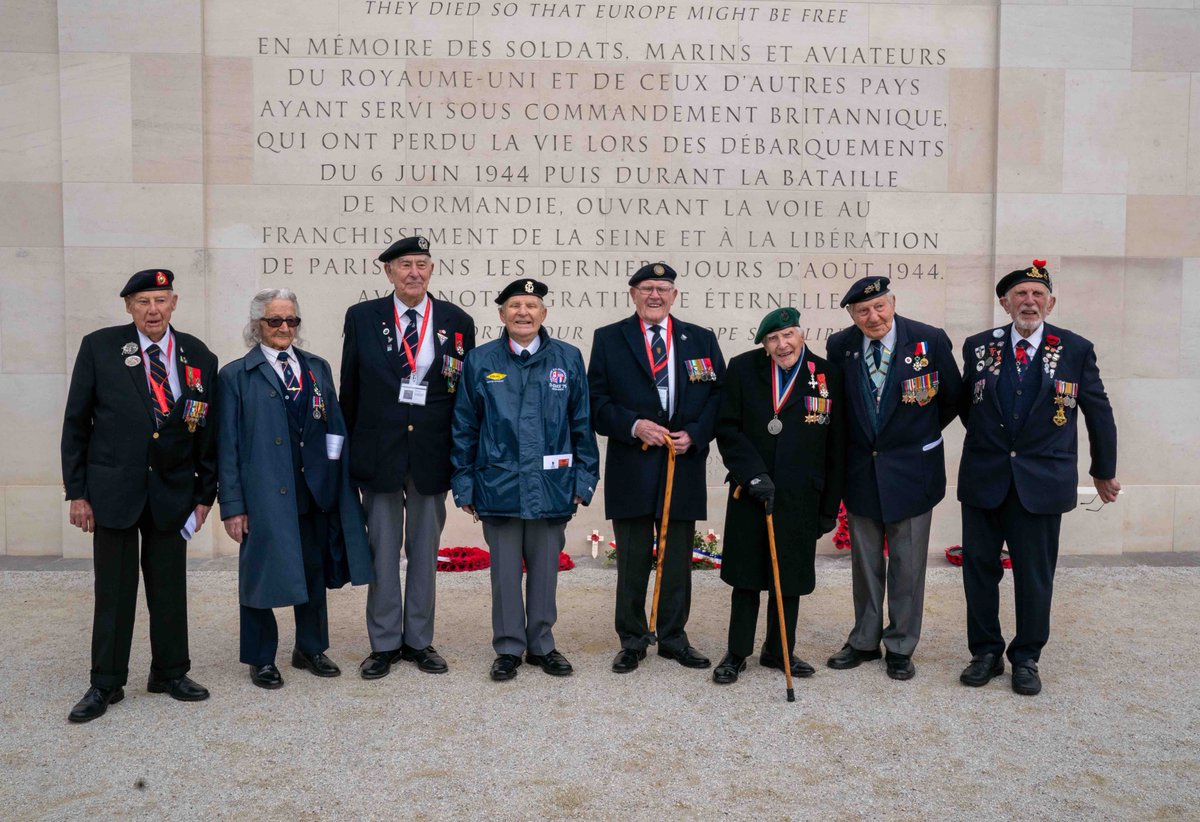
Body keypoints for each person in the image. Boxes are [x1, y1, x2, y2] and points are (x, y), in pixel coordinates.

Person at [61, 268, 217, 723]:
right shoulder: (100, 347)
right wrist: (78, 492)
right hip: (114, 490)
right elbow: (76, 424)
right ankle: (106, 682)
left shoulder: (198, 355)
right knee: (113, 590)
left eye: (161, 300)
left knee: (169, 587)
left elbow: (208, 431)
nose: (153, 310)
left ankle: (170, 672)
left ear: (174, 303)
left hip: (173, 491)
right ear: (129, 306)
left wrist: (205, 494)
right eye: (144, 301)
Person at [958, 260, 1119, 696]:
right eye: (1020, 295)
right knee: (979, 570)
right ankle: (985, 652)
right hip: (985, 477)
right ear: (1005, 303)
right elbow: (967, 405)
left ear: (1050, 302)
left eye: (1037, 294)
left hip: (1042, 481)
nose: (1029, 302)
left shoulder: (1075, 348)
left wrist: (1103, 471)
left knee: (1034, 575)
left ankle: (1026, 657)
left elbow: (1098, 412)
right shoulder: (978, 346)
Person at [218, 289, 374, 689]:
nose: (284, 327)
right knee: (260, 575)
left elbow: (334, 427)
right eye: (275, 320)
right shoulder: (236, 376)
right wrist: (232, 506)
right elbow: (227, 447)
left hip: (316, 490)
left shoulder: (317, 367)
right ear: (257, 325)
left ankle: (310, 647)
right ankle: (260, 657)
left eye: (291, 320)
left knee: (313, 570)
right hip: (264, 496)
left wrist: (334, 472)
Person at [451, 278, 599, 682]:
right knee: (504, 573)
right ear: (502, 314)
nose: (523, 313)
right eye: (515, 306)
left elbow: (582, 422)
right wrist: (464, 483)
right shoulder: (481, 360)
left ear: (543, 313)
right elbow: (464, 426)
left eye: (531, 306)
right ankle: (508, 647)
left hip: (552, 485)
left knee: (546, 570)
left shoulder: (568, 358)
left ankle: (542, 645)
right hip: (497, 485)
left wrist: (584, 480)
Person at [340, 236, 476, 679]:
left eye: (421, 264)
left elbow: (464, 399)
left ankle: (419, 640)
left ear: (431, 270)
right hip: (379, 453)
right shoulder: (363, 317)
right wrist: (346, 456)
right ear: (388, 272)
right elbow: (349, 390)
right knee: (381, 552)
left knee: (423, 551)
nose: (414, 272)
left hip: (432, 454)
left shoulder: (457, 321)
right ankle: (383, 643)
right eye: (405, 265)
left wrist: (462, 457)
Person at [823, 277, 963, 680]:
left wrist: (912, 439)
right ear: (853, 315)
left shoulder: (928, 340)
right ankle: (865, 640)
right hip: (861, 472)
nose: (873, 317)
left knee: (908, 565)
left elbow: (952, 398)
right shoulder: (841, 346)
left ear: (893, 303)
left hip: (913, 472)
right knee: (865, 564)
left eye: (880, 307)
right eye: (863, 311)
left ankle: (901, 645)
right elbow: (839, 407)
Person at [588, 263, 725, 674]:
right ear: (633, 294)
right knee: (631, 559)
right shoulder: (610, 339)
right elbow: (596, 402)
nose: (654, 295)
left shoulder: (700, 339)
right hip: (632, 466)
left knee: (677, 559)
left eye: (662, 289)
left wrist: (696, 434)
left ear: (674, 295)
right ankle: (632, 640)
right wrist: (634, 425)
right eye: (646, 288)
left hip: (681, 465)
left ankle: (673, 637)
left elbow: (719, 397)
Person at [711, 308, 845, 684]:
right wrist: (753, 474)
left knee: (789, 578)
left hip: (801, 497)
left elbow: (837, 446)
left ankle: (779, 650)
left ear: (801, 335)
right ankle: (737, 652)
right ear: (765, 344)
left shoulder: (828, 375)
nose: (782, 345)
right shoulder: (743, 368)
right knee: (746, 577)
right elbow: (728, 428)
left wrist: (829, 506)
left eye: (788, 335)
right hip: (750, 491)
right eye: (773, 339)